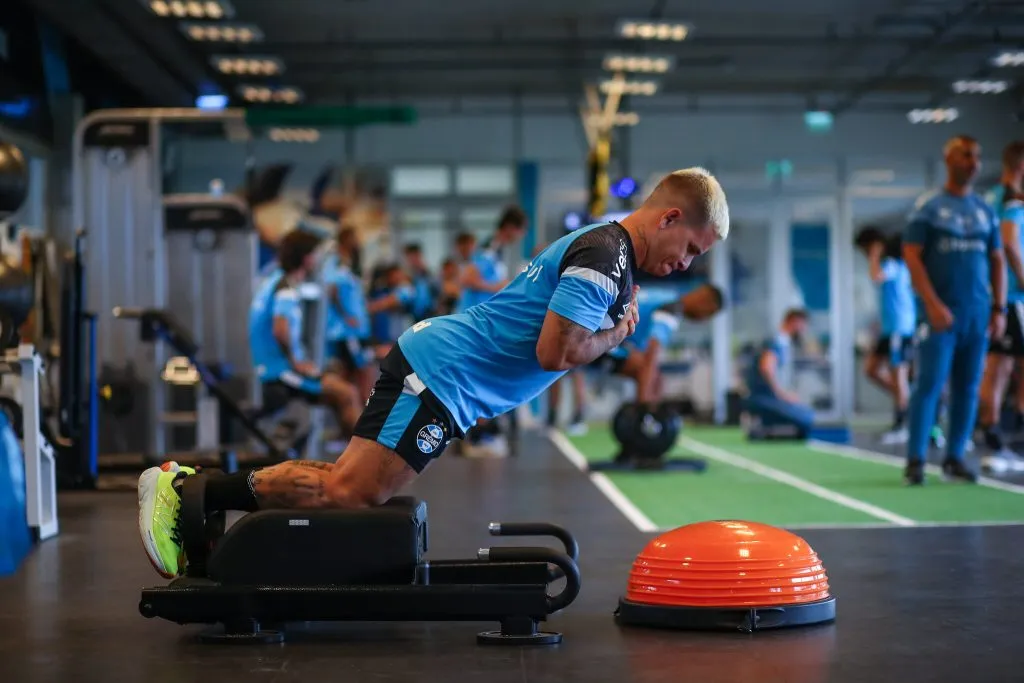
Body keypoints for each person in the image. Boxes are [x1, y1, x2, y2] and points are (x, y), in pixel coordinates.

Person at [137, 167, 730, 578]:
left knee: (350, 484)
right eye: (692, 249)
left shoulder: (613, 258)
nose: (686, 265)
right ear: (671, 217)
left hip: (448, 378)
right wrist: (616, 336)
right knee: (350, 493)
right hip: (443, 374)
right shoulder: (606, 256)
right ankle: (187, 491)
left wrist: (613, 338)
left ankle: (201, 492)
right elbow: (557, 352)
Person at [901, 134, 1006, 486]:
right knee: (929, 385)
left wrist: (999, 309)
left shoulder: (984, 211)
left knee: (968, 387)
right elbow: (912, 257)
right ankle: (916, 460)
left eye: (976, 156)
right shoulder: (929, 208)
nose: (973, 162)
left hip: (976, 315)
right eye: (965, 155)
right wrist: (932, 304)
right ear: (949, 160)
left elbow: (997, 259)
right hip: (939, 317)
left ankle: (955, 457)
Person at [247, 229, 363, 435]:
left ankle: (349, 451)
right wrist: (296, 362)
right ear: (306, 258)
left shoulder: (276, 280)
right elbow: (280, 329)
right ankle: (367, 454)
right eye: (316, 254)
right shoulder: (285, 289)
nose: (318, 260)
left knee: (339, 396)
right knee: (348, 394)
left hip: (275, 366)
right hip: (280, 370)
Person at [593, 283, 725, 406]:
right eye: (709, 313)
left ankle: (646, 414)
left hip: (601, 328)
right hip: (599, 337)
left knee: (654, 376)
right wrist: (643, 405)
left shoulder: (668, 296)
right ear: (703, 302)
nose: (704, 319)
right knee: (648, 372)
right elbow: (652, 355)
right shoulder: (672, 310)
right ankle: (644, 417)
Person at [975, 140, 1024, 474]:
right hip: (1012, 298)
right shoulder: (1011, 200)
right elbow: (1008, 242)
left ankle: (995, 443)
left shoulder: (989, 197)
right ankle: (1005, 443)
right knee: (1001, 371)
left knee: (997, 370)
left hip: (994, 298)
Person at [854, 227, 917, 445]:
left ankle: (902, 425)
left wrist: (874, 255)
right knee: (871, 370)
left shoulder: (892, 264)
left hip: (900, 329)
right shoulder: (891, 265)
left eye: (866, 249)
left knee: (899, 376)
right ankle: (908, 401)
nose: (865, 254)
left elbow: (876, 276)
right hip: (888, 329)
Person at [743, 308, 815, 439]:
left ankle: (765, 426)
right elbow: (766, 368)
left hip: (766, 397)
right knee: (807, 419)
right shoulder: (776, 342)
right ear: (794, 322)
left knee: (807, 414)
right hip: (763, 399)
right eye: (802, 325)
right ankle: (762, 428)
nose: (804, 329)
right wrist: (782, 394)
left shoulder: (782, 343)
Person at [323, 227, 376, 400]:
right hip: (347, 330)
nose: (357, 243)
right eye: (354, 238)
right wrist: (346, 316)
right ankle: (362, 407)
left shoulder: (351, 265)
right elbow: (332, 291)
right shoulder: (335, 263)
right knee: (362, 369)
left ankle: (356, 407)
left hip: (358, 329)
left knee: (354, 370)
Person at [457, 206, 528, 312]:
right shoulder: (489, 249)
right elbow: (466, 279)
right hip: (473, 314)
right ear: (510, 228)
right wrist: (497, 287)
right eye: (522, 229)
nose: (523, 234)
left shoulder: (501, 251)